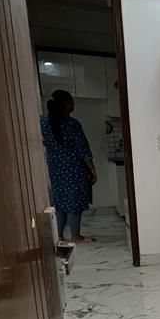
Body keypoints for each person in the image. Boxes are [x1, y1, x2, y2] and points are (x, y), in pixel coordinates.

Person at [40, 89, 97, 242]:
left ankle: (58, 235)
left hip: (55, 170)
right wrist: (92, 169)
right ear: (65, 104)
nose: (73, 105)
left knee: (60, 202)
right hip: (74, 170)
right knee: (74, 202)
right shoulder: (72, 124)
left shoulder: (42, 123)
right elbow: (83, 150)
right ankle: (75, 235)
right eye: (71, 101)